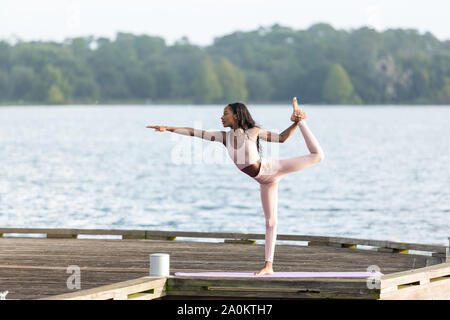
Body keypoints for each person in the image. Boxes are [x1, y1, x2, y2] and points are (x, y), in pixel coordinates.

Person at [147, 97, 324, 276]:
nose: (221, 117)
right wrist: (168, 128)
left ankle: (303, 121)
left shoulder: (254, 132)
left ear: (237, 116)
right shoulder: (224, 137)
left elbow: (282, 138)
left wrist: (297, 122)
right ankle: (268, 266)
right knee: (270, 222)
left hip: (271, 168)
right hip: (264, 180)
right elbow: (195, 132)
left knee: (317, 156)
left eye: (226, 114)